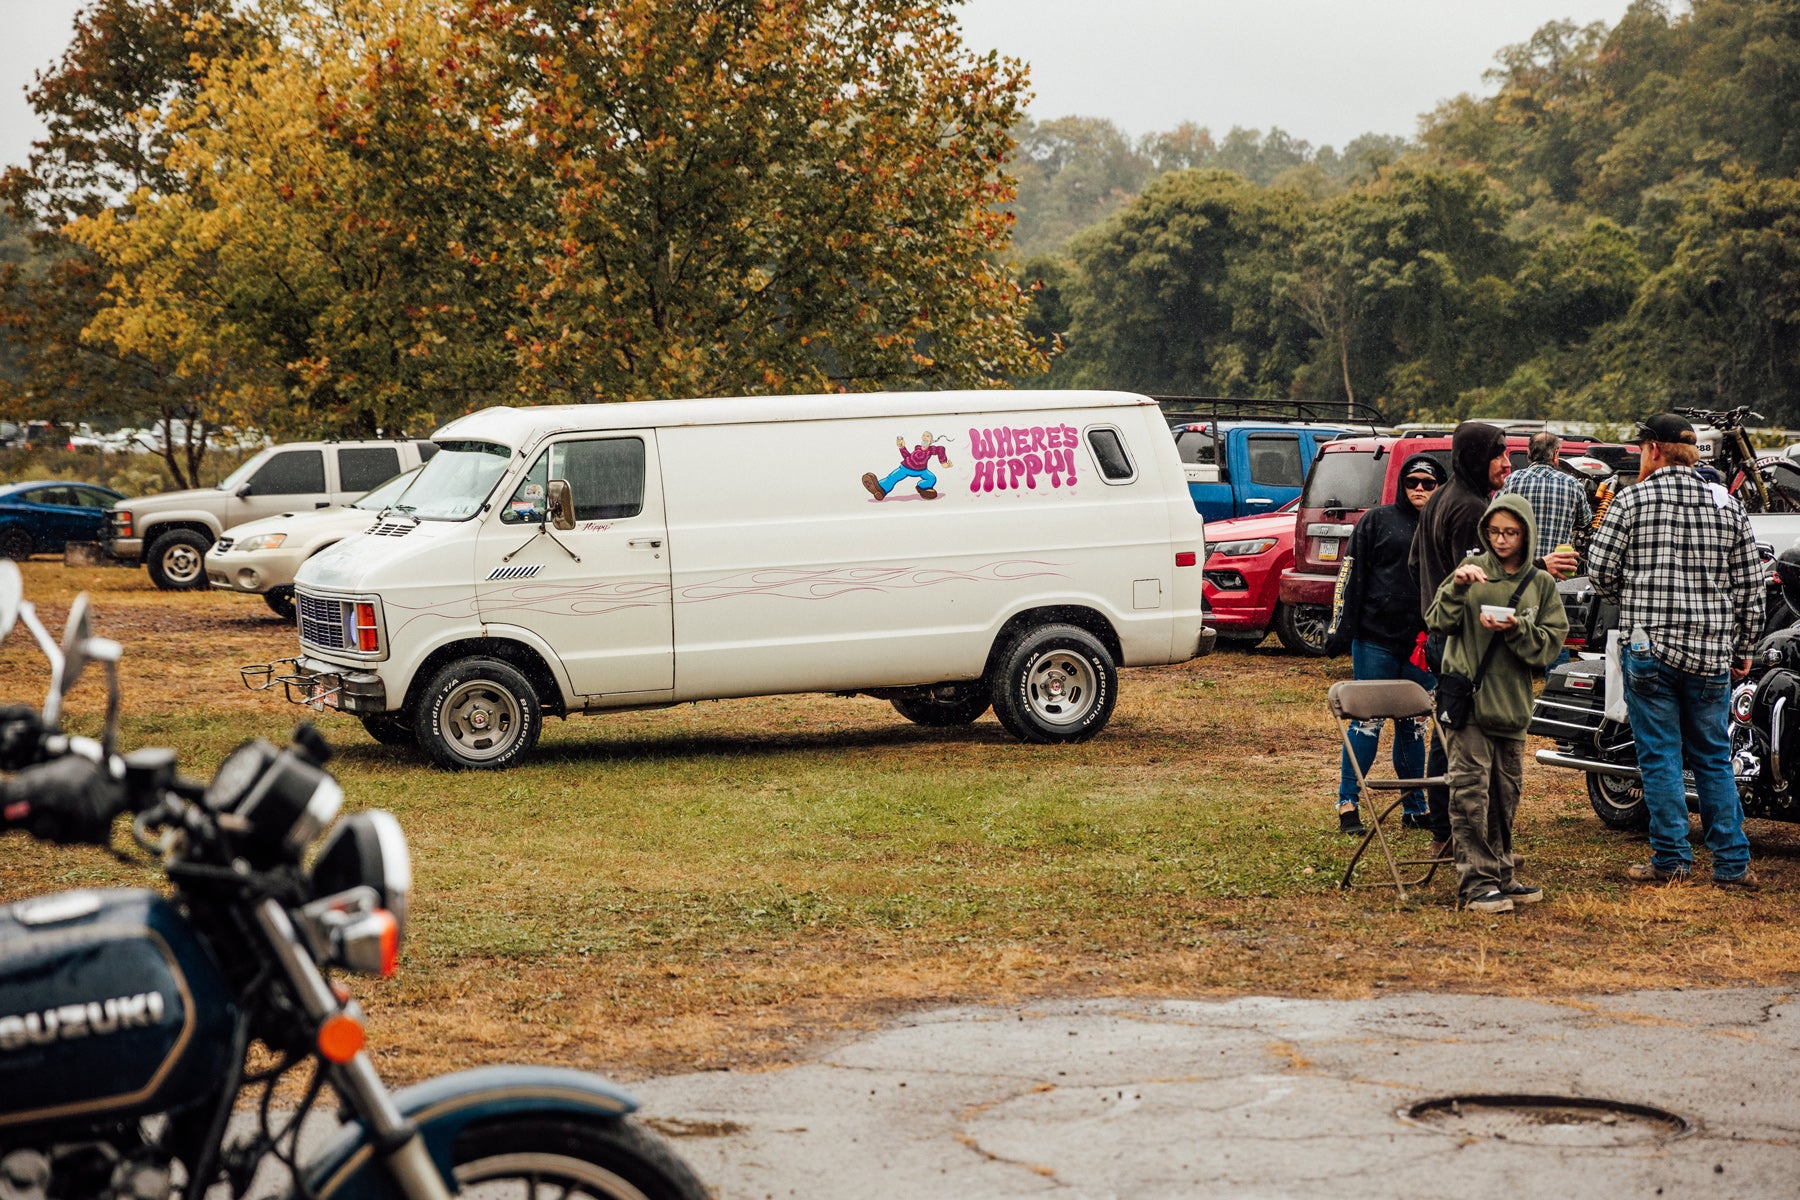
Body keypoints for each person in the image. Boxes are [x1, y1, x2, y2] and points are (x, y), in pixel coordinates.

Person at [1585, 412, 1764, 889]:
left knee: (1661, 757)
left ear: (1654, 450)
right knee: (1712, 756)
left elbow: (1600, 570)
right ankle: (1731, 863)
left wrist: (1636, 593)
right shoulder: (1727, 505)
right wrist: (1744, 645)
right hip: (1710, 652)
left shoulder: (1631, 501)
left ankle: (1671, 860)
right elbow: (1750, 586)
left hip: (1649, 648)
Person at [1410, 423, 1577, 858]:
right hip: (1464, 641)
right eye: (1499, 454)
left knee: (1449, 734)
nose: (1507, 463)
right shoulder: (1467, 507)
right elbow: (1488, 577)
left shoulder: (1443, 498)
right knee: (1464, 746)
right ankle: (1461, 840)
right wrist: (1538, 565)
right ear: (1474, 456)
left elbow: (1416, 564)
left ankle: (1447, 835)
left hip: (1441, 634)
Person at [1426, 494, 1568, 912]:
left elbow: (1548, 649)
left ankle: (1502, 873)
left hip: (1510, 704)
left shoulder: (1540, 584)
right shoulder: (1470, 572)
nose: (1501, 540)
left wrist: (1516, 628)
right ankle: (1475, 884)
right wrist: (1456, 586)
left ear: (1526, 534)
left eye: (1510, 532)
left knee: (1505, 793)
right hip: (1466, 701)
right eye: (1494, 532)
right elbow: (1437, 622)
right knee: (1470, 793)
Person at [1324, 453, 1447, 835]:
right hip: (1375, 640)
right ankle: (1348, 805)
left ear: (1441, 486)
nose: (1420, 490)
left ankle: (1415, 807)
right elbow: (1350, 575)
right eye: (1413, 482)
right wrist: (1340, 628)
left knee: (1414, 727)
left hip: (1422, 643)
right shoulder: (1377, 520)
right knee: (1366, 725)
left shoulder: (1444, 525)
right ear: (1401, 485)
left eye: (1429, 483)